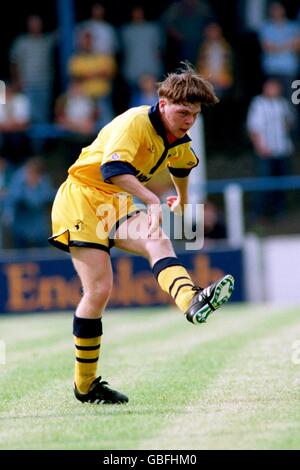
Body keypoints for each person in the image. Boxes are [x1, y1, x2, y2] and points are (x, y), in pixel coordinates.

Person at [48, 64, 235, 405]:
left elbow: (182, 166)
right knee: (99, 289)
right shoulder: (135, 122)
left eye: (194, 115)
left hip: (115, 201)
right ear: (163, 103)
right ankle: (85, 385)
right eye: (182, 112)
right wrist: (151, 198)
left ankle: (191, 302)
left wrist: (183, 200)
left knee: (157, 239)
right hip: (81, 199)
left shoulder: (177, 137)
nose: (188, 120)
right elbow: (112, 169)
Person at [246, 78, 296, 219]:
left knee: (281, 181)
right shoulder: (258, 103)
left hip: (282, 149)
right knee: (263, 182)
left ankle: (279, 211)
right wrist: (260, 146)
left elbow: (290, 123)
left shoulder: (283, 103)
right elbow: (253, 127)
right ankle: (257, 211)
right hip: (265, 150)